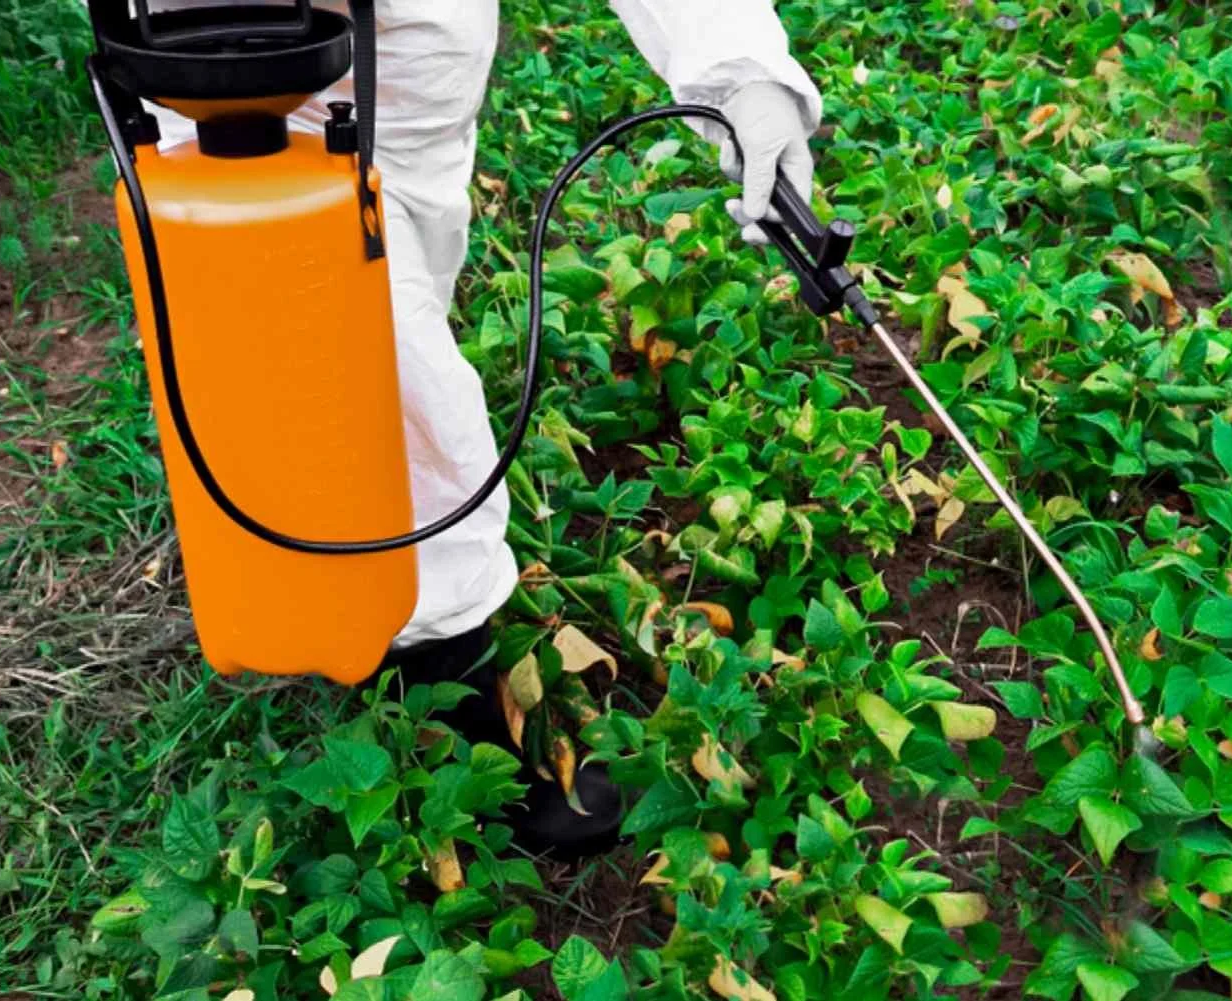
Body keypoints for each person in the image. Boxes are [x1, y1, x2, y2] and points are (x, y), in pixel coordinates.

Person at [99, 0, 822, 860]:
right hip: (233, 56)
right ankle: (459, 702)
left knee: (377, 321)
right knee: (394, 379)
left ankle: (346, 567)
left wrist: (742, 74)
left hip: (409, 85)